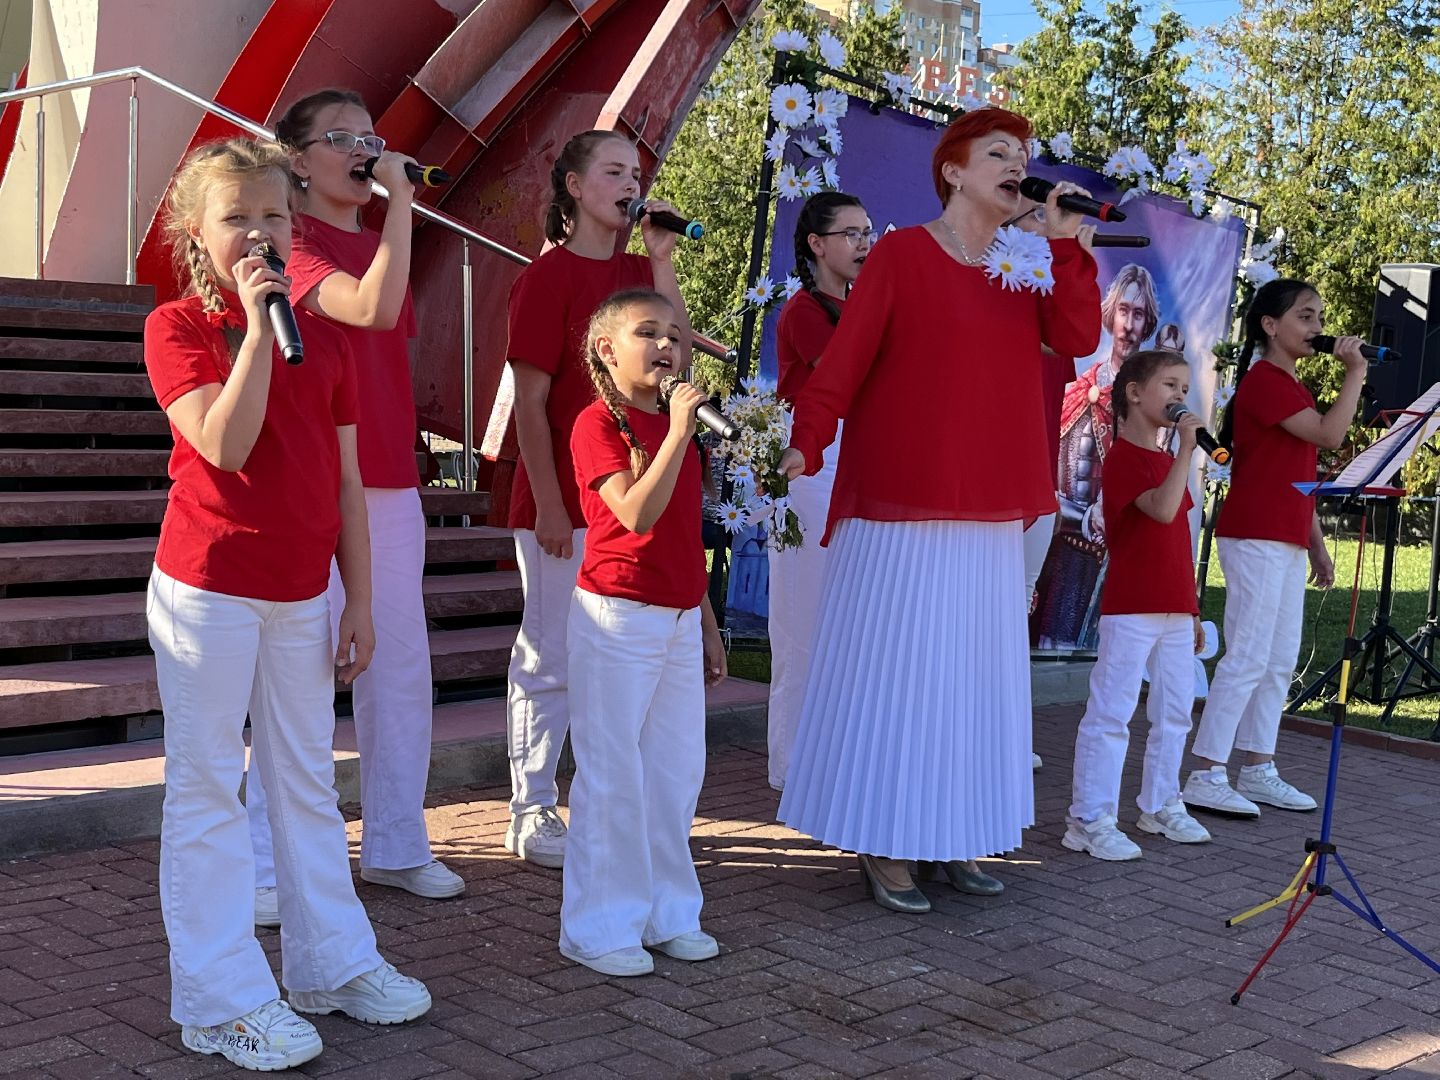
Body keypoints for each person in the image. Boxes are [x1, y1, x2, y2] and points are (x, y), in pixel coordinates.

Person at [145, 137, 430, 1072]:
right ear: (199, 231)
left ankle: (331, 963)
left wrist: (359, 599)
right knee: (208, 790)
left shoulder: (331, 338)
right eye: (236, 218)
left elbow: (348, 482)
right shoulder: (180, 328)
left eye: (273, 216)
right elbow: (224, 447)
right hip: (210, 588)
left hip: (305, 591)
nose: (258, 233)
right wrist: (261, 333)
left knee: (306, 782)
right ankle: (220, 996)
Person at [775, 107, 1101, 913]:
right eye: (999, 153)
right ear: (952, 170)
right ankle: (885, 841)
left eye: (1022, 156)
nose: (1016, 166)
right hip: (901, 503)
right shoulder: (900, 256)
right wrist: (805, 441)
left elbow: (1079, 331)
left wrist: (1062, 241)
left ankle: (954, 834)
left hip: (991, 507)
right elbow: (843, 364)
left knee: (973, 684)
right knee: (901, 674)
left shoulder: (1028, 261)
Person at [243, 89, 463, 922]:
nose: (366, 152)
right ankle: (268, 862)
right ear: (297, 159)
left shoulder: (379, 241)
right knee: (296, 673)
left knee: (399, 665)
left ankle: (398, 843)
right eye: (343, 139)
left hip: (388, 482)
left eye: (373, 139)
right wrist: (403, 199)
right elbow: (365, 309)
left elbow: (382, 339)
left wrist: (393, 215)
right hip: (308, 479)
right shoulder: (283, 245)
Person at [504, 130, 693, 867]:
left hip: (642, 489)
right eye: (613, 171)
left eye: (636, 173)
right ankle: (530, 807)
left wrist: (666, 259)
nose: (629, 183)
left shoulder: (643, 269)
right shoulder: (547, 279)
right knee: (552, 652)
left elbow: (674, 344)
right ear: (575, 188)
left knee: (619, 664)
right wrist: (550, 502)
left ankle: (614, 809)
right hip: (568, 493)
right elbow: (529, 398)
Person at [560, 288, 727, 976]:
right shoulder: (596, 423)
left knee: (674, 771)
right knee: (613, 774)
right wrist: (680, 434)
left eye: (675, 336)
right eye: (647, 333)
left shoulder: (677, 429)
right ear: (607, 349)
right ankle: (598, 926)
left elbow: (683, 535)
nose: (667, 347)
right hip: (617, 616)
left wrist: (708, 622)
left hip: (680, 617)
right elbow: (635, 513)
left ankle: (667, 914)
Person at [1182, 279, 1365, 817]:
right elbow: (1330, 436)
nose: (1317, 327)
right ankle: (1205, 772)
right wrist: (1355, 372)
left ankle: (1258, 766)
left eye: (1318, 317)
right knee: (1247, 655)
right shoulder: (1265, 382)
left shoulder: (1291, 385)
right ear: (1270, 325)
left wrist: (1317, 544)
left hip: (1283, 534)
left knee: (1280, 657)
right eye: (1305, 317)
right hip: (1255, 533)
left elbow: (1296, 477)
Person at [1062, 349, 1213, 860]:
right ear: (1133, 393)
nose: (1180, 396)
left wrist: (1191, 607)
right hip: (1131, 607)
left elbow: (1179, 540)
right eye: (1170, 385)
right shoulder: (1125, 459)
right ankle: (1089, 817)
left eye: (1184, 388)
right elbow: (1164, 509)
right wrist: (1188, 449)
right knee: (1112, 712)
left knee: (1175, 712)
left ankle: (1161, 803)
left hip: (1173, 606)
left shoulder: (1167, 460)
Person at [767, 191, 873, 790]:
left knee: (850, 624)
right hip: (810, 469)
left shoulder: (865, 305)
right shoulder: (805, 312)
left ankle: (836, 753)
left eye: (868, 231)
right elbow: (852, 379)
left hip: (854, 468)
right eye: (851, 233)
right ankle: (791, 767)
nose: (864, 242)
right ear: (816, 244)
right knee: (802, 620)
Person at [1036, 263, 1161, 650]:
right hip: (1064, 545)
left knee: (1110, 656)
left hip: (1119, 553)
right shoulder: (1080, 386)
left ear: (1148, 322)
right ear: (1110, 315)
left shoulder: (1157, 402)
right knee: (1049, 647)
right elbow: (1053, 458)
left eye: (1138, 314)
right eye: (1123, 311)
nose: (1128, 324)